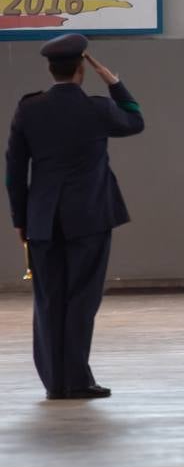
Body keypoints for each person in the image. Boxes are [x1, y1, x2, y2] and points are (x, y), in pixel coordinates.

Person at [5, 33, 144, 399]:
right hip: (89, 218)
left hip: (43, 220)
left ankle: (54, 382)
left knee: (49, 300)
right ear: (82, 69)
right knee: (81, 300)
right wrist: (113, 81)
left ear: (50, 70)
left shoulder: (29, 108)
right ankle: (77, 379)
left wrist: (21, 217)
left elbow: (14, 169)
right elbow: (135, 120)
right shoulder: (98, 109)